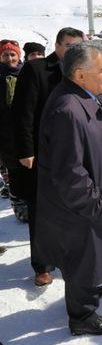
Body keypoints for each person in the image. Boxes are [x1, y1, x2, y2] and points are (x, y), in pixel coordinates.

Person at [35, 42, 102, 335]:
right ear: (79, 74)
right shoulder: (67, 109)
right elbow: (69, 171)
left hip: (85, 198)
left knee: (89, 253)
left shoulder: (85, 97)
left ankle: (85, 291)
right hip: (76, 204)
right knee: (81, 252)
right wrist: (94, 202)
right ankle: (81, 316)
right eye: (101, 69)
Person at [11, 27, 84, 286]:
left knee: (70, 207)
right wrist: (26, 150)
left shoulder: (81, 70)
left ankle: (66, 256)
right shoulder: (37, 69)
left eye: (78, 46)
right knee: (41, 210)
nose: (73, 50)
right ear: (57, 45)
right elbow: (23, 113)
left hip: (71, 152)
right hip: (41, 154)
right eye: (68, 45)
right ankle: (42, 264)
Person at [0, 39, 27, 220]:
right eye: (5, 55)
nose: (9, 58)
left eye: (12, 54)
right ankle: (19, 205)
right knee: (15, 170)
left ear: (19, 56)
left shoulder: (27, 74)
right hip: (5, 133)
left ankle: (33, 201)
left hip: (26, 130)